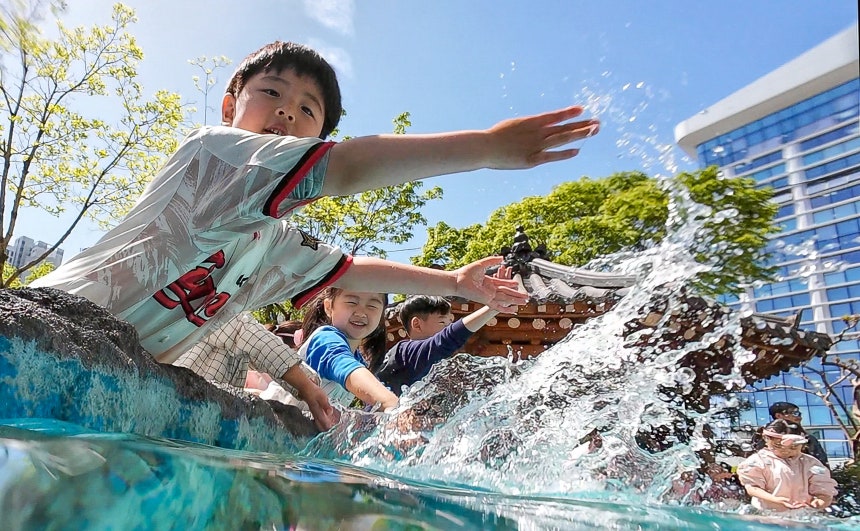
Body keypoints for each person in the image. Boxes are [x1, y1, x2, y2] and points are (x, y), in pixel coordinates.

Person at [31, 40, 595, 421]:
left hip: (110, 370)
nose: (287, 113)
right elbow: (347, 167)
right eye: (272, 93)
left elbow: (351, 270)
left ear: (317, 136)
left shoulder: (271, 242)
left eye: (308, 110)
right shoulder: (214, 156)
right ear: (231, 105)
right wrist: (489, 147)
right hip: (46, 324)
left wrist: (453, 280)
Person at [375, 264, 515, 395]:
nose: (448, 327)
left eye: (450, 322)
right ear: (417, 324)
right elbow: (446, 339)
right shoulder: (405, 353)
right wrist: (492, 308)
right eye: (442, 322)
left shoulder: (431, 365)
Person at [297, 288, 397, 411]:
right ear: (328, 307)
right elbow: (342, 363)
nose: (361, 313)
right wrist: (389, 402)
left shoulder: (359, 361)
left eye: (372, 306)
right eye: (351, 302)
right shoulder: (323, 339)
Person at [737, 419, 837, 512]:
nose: (786, 450)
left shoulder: (810, 463)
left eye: (794, 447)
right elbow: (752, 488)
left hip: (803, 515)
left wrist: (819, 502)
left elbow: (824, 490)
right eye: (778, 446)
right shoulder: (757, 461)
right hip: (767, 515)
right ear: (766, 439)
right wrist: (775, 499)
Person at [751, 402, 829, 467]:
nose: (799, 417)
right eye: (795, 413)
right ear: (778, 416)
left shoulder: (807, 438)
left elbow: (821, 466)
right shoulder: (761, 436)